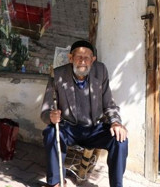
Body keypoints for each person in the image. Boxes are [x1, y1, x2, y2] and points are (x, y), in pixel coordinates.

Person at [40, 40, 128, 187]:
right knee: (50, 132)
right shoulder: (58, 75)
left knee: (120, 139)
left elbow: (109, 104)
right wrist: (50, 116)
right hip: (69, 128)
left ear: (93, 60)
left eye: (87, 57)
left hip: (95, 129)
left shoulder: (100, 71)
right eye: (78, 56)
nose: (82, 61)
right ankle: (56, 182)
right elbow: (45, 111)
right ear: (70, 58)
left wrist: (116, 122)